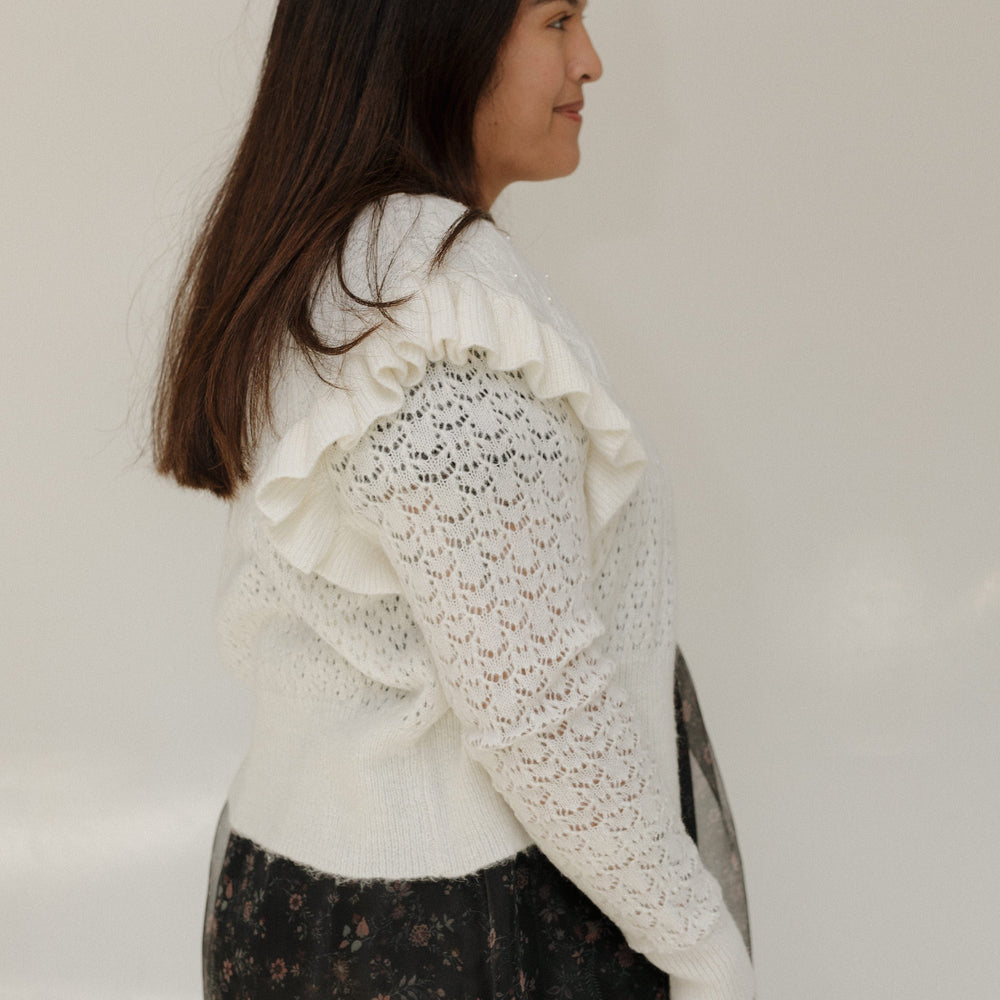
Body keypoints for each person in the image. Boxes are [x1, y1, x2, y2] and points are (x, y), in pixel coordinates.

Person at [152, 1, 757, 997]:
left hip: (299, 886)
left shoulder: (334, 265)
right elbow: (538, 704)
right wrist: (705, 951)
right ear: (435, 31)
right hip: (463, 931)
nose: (591, 61)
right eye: (557, 19)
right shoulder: (437, 316)